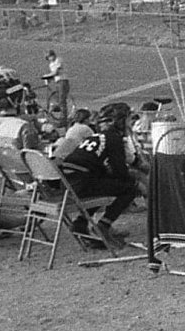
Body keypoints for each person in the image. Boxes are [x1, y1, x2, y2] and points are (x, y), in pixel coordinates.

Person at [57, 102, 141, 242]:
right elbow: (119, 170)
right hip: (81, 183)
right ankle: (103, 225)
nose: (129, 124)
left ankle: (80, 223)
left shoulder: (96, 137)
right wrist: (136, 182)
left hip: (67, 183)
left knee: (102, 185)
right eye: (127, 120)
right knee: (129, 189)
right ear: (118, 122)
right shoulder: (113, 138)